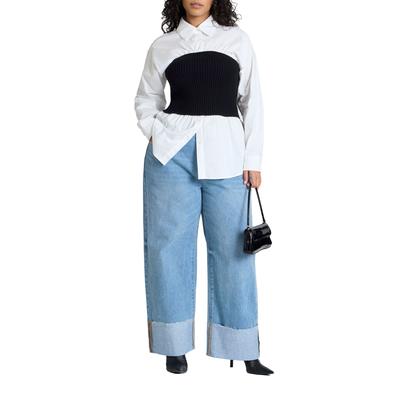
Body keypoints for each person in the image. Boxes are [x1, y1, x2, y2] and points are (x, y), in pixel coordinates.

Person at [134, 0, 274, 375]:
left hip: (228, 156)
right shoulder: (163, 46)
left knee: (235, 250)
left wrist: (253, 159)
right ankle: (173, 345)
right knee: (168, 249)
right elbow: (146, 98)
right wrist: (156, 133)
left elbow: (252, 101)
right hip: (170, 156)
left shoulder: (237, 40)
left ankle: (243, 346)